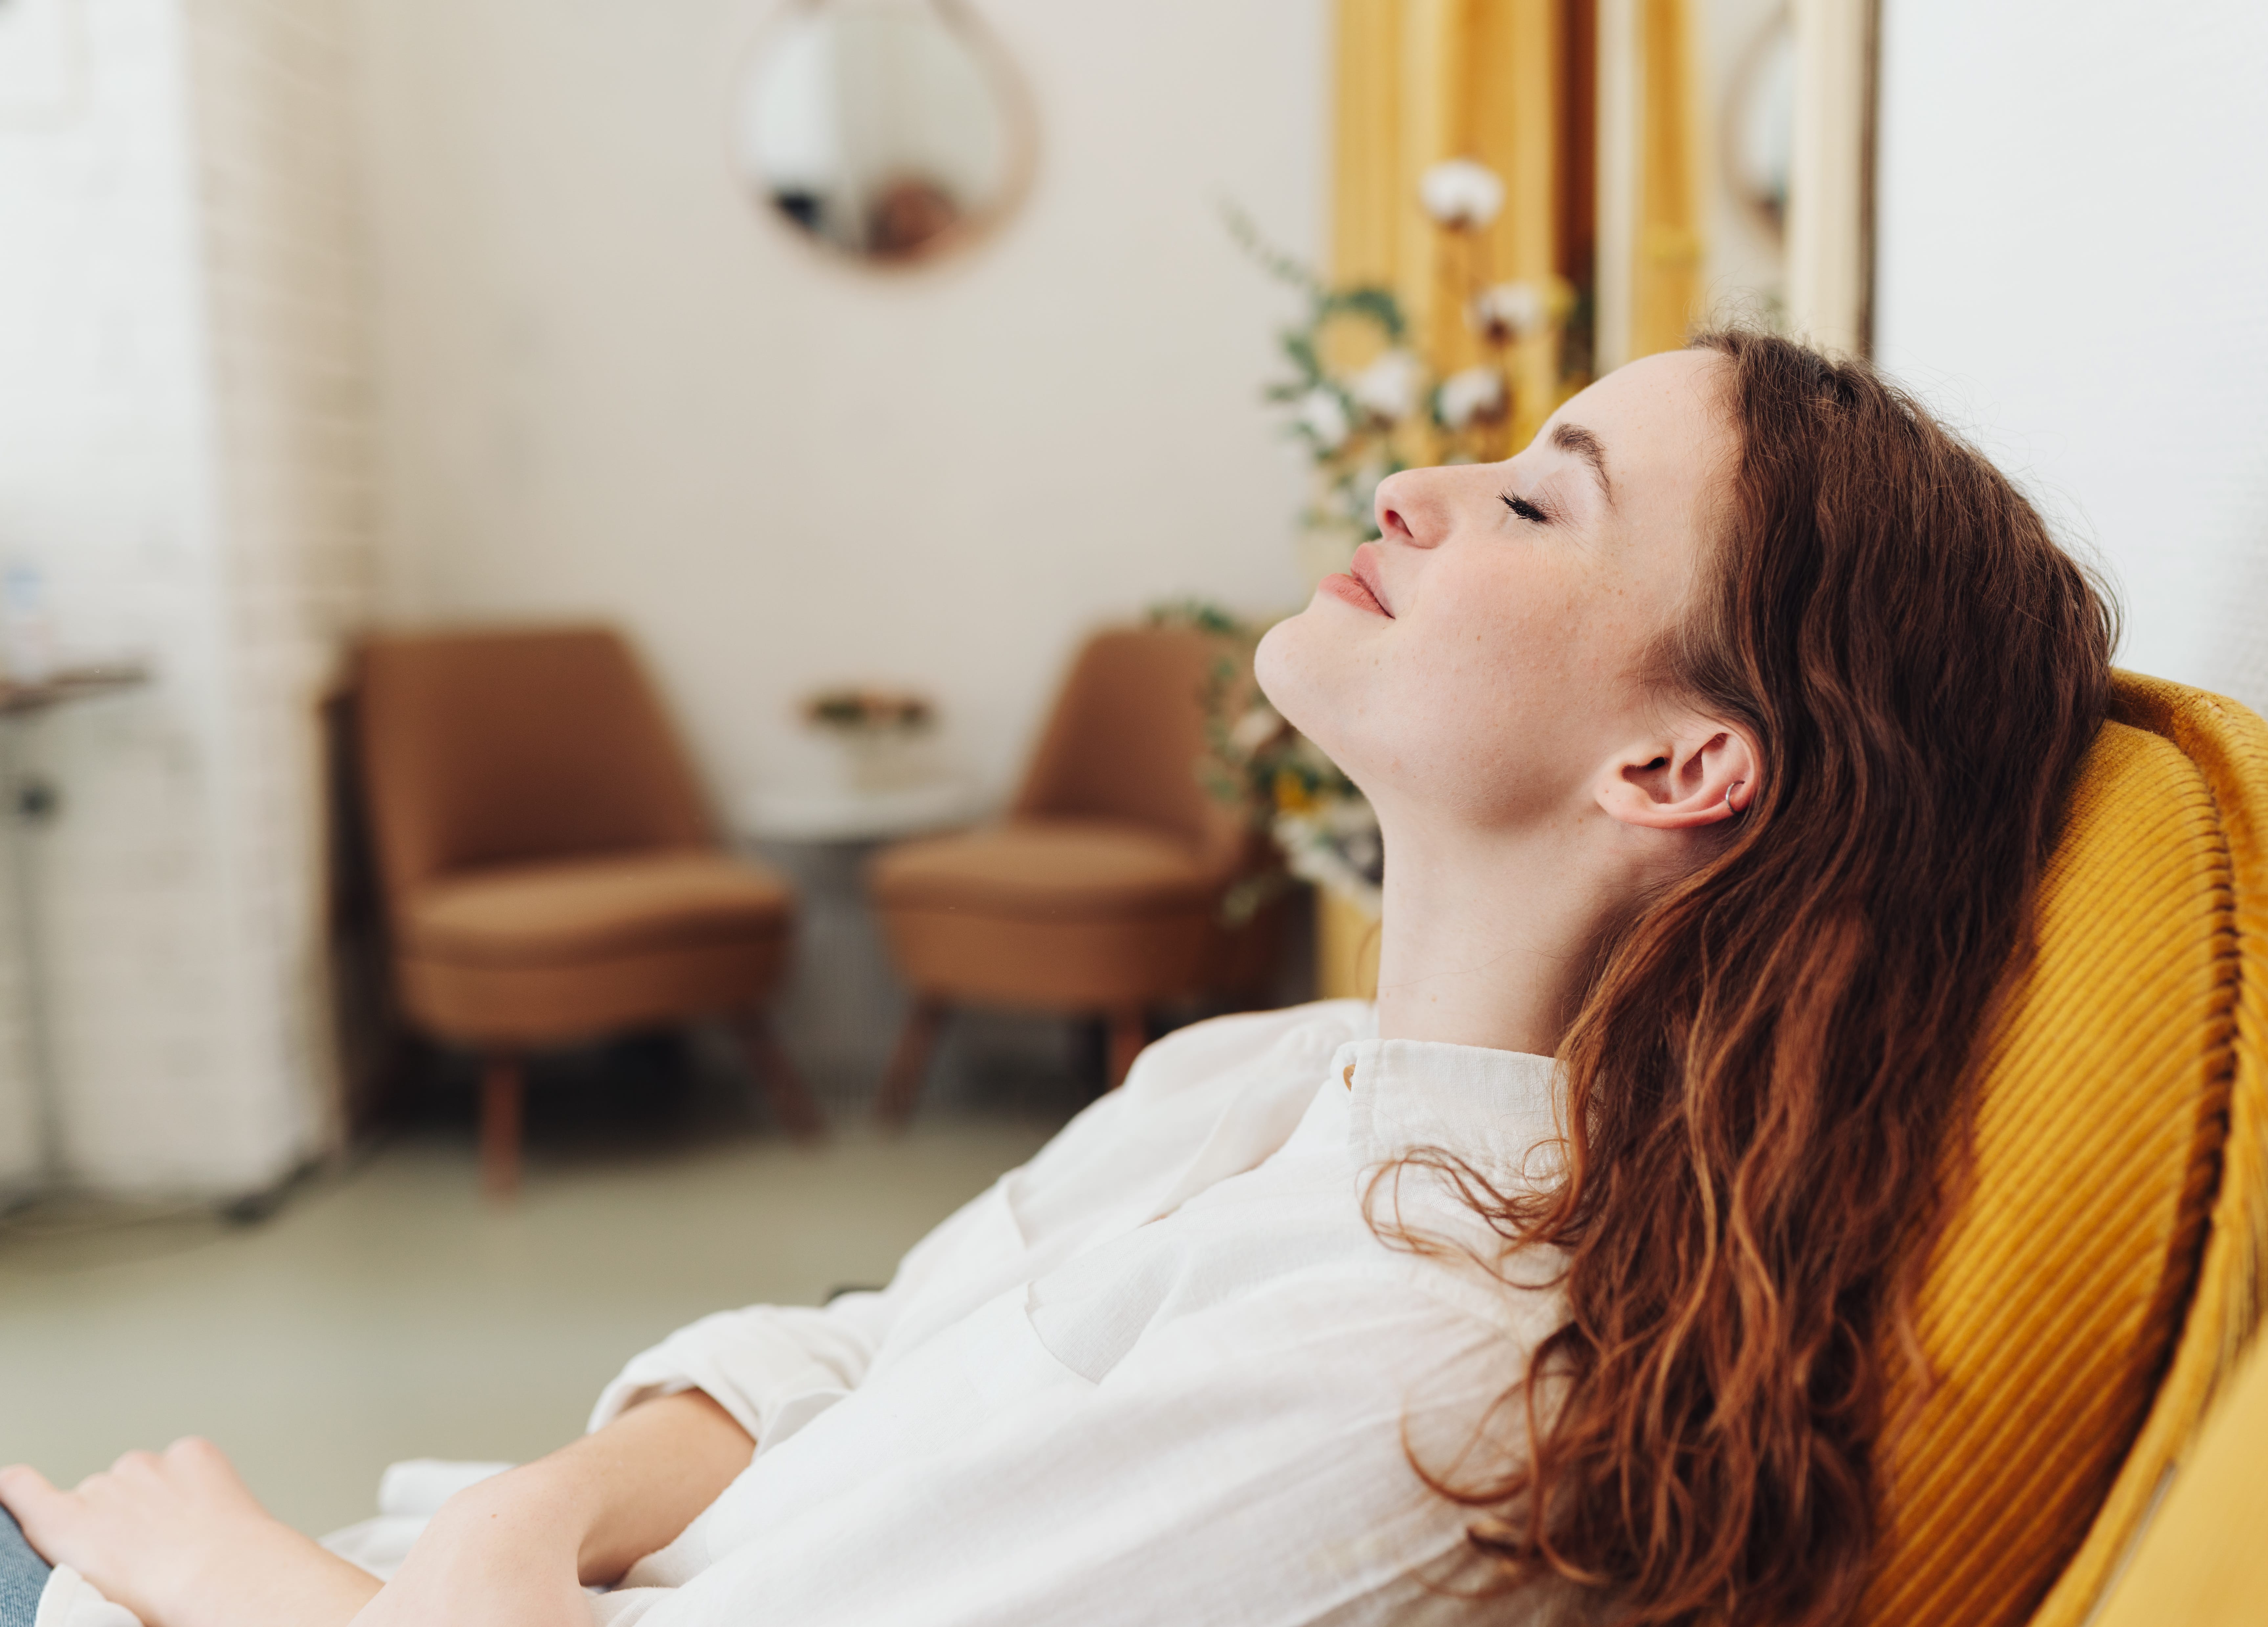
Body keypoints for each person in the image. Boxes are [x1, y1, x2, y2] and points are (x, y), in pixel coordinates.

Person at [0, 332, 2115, 1627]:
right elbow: (835, 1350)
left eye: (1541, 501)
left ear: (1677, 761)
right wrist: (518, 1531)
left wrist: (239, 1581)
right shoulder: (1269, 1076)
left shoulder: (1437, 1388)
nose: (1417, 486)